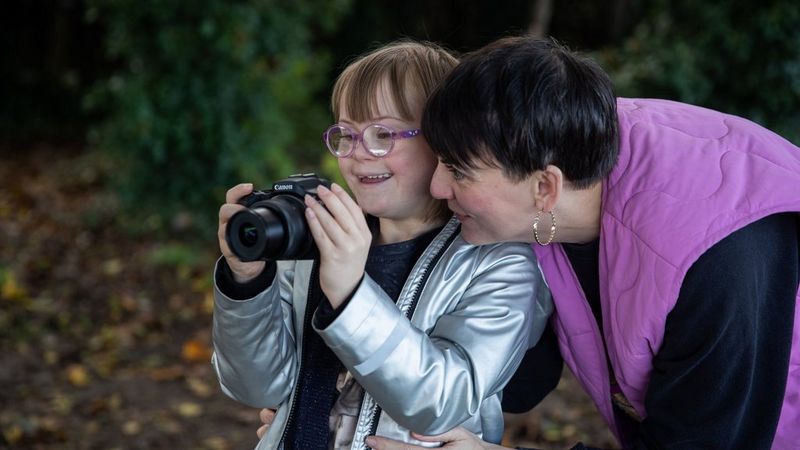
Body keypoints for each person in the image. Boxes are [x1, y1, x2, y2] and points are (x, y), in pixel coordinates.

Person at [364, 36, 800, 449]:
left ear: (545, 188)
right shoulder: (549, 149)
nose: (437, 186)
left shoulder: (715, 260)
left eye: (459, 171)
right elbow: (522, 381)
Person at [211, 40, 557, 450]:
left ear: (444, 140)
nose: (358, 154)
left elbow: (441, 402)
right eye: (346, 134)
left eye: (382, 134)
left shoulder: (498, 262)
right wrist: (247, 284)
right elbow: (256, 387)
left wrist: (351, 295)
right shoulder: (318, 237)